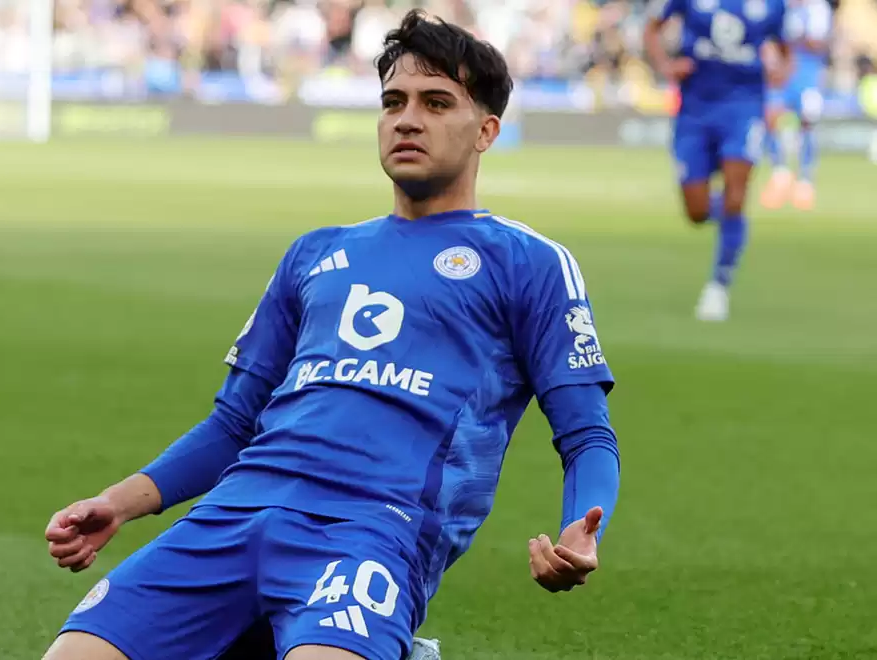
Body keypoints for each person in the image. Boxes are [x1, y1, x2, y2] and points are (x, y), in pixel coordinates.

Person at [42, 10, 621, 660]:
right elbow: (233, 424)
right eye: (394, 102)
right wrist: (118, 503)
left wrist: (581, 528)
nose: (407, 120)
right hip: (231, 516)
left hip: (371, 531)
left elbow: (586, 434)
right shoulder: (315, 254)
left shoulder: (527, 262)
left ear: (486, 130)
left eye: (435, 103)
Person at [644, 0, 792, 322]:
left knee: (735, 196)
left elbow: (785, 48)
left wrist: (780, 79)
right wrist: (665, 65)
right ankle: (732, 223)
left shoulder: (772, 5)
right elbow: (652, 26)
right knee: (696, 210)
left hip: (744, 107)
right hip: (694, 110)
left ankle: (718, 286)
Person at [760, 0, 833, 211]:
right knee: (770, 118)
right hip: (782, 73)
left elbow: (818, 43)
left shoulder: (817, 8)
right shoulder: (780, 5)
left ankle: (805, 181)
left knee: (807, 123)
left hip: (807, 74)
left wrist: (794, 38)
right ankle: (780, 173)